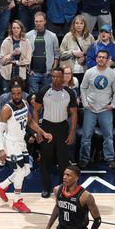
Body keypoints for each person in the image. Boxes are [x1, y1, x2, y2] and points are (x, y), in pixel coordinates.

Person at [0, 83, 46, 212]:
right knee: (21, 171)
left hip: (21, 142)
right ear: (11, 94)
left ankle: (1, 186)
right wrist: (1, 149)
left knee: (25, 171)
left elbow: (30, 121)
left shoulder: (25, 104)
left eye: (19, 93)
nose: (16, 96)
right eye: (14, 94)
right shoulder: (7, 109)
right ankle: (17, 201)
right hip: (10, 143)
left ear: (22, 93)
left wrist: (42, 132)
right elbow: (0, 132)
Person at [33, 67, 78, 198]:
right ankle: (46, 188)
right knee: (45, 160)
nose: (55, 79)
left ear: (63, 77)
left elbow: (74, 114)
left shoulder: (69, 92)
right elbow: (35, 110)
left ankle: (61, 189)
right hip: (47, 127)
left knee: (63, 162)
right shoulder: (44, 91)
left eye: (57, 76)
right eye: (53, 76)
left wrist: (71, 133)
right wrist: (38, 132)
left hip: (62, 128)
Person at [79, 50, 115, 169]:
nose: (101, 59)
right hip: (90, 109)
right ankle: (84, 159)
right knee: (86, 137)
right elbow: (82, 88)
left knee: (108, 136)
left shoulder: (112, 74)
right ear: (96, 58)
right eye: (99, 57)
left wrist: (113, 104)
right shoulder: (89, 72)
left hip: (105, 110)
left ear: (107, 60)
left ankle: (109, 158)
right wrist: (85, 103)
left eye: (104, 57)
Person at [26, 12, 61, 94]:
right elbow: (24, 54)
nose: (38, 23)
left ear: (45, 21)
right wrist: (28, 70)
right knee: (33, 99)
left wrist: (53, 69)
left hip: (47, 74)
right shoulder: (28, 35)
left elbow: (57, 55)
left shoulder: (53, 36)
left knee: (47, 97)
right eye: (36, 21)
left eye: (40, 21)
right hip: (33, 73)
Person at [0, 20, 32, 91]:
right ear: (11, 29)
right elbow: (2, 61)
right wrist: (12, 54)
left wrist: (17, 63)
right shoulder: (6, 41)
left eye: (18, 28)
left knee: (20, 96)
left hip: (21, 75)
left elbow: (28, 60)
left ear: (21, 29)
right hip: (7, 74)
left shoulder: (27, 42)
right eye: (14, 28)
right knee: (6, 95)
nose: (15, 30)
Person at [60, 15, 94, 84]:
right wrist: (72, 52)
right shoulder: (68, 36)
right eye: (77, 23)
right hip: (70, 72)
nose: (79, 25)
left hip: (84, 71)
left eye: (81, 23)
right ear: (73, 24)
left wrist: (85, 58)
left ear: (84, 25)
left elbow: (94, 55)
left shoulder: (90, 37)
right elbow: (61, 54)